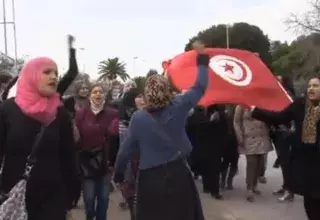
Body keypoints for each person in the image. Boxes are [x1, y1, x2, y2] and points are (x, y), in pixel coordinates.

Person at [114, 46, 208, 220]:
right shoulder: (180, 105)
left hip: (150, 179)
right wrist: (202, 61)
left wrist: (118, 173)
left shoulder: (138, 118)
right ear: (166, 89)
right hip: (179, 173)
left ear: (147, 93)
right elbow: (200, 86)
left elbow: (125, 151)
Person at [0, 57, 77, 219]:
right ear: (31, 75)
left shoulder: (60, 113)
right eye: (47, 72)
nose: (54, 77)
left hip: (51, 197)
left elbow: (67, 156)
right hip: (15, 195)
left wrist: (72, 192)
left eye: (56, 73)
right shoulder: (7, 110)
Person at [251, 77, 320, 220]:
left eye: (316, 86)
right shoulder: (300, 105)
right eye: (309, 86)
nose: (311, 89)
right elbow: (279, 118)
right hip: (306, 161)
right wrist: (256, 111)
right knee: (310, 201)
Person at [76, 83, 118, 220]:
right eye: (94, 92)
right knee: (89, 199)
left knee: (104, 198)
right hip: (86, 164)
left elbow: (117, 139)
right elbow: (76, 138)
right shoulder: (81, 114)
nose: (98, 94)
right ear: (90, 96)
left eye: (100, 92)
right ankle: (89, 216)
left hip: (105, 164)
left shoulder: (112, 114)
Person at [234, 105, 273, 202]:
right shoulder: (241, 106)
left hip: (262, 137)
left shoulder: (262, 104)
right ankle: (249, 189)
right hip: (249, 138)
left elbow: (269, 118)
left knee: (260, 164)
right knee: (251, 163)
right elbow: (236, 122)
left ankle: (255, 185)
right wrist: (239, 136)